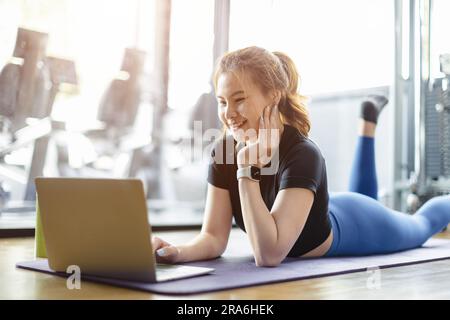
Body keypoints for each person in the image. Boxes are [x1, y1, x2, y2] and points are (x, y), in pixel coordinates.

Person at [152, 46, 450, 267]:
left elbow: (269, 255)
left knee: (422, 223)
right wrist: (177, 252)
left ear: (274, 96)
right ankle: (367, 123)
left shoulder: (303, 154)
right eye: (222, 102)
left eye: (239, 100)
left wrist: (246, 169)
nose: (228, 114)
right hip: (329, 205)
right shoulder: (224, 152)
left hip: (357, 223)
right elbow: (214, 238)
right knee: (366, 195)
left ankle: (367, 125)